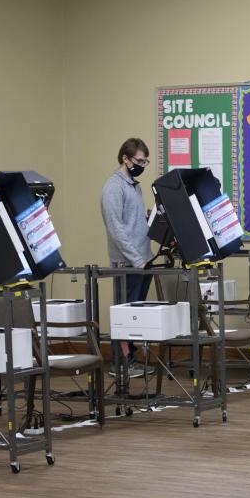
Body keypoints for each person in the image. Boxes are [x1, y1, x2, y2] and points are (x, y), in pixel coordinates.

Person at [101, 137, 154, 378]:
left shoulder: (135, 185)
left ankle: (132, 360)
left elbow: (134, 222)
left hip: (144, 258)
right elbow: (116, 228)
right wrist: (135, 258)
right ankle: (121, 363)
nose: (142, 164)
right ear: (125, 158)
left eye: (145, 161)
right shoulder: (113, 186)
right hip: (128, 262)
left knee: (137, 314)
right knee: (125, 314)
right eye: (139, 160)